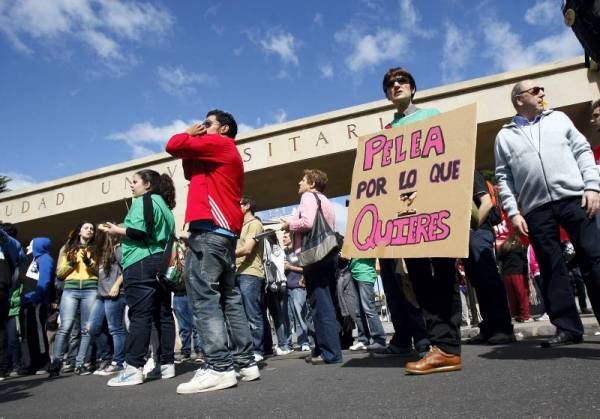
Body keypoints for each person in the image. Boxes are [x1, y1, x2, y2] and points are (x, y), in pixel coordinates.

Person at [495, 80, 600, 347]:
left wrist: (592, 186)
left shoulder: (560, 119)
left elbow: (582, 151)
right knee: (551, 268)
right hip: (535, 209)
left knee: (593, 257)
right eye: (535, 90)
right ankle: (567, 328)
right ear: (519, 99)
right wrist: (513, 212)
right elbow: (503, 178)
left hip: (574, 198)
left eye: (543, 89)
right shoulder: (504, 136)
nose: (542, 93)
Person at [166, 109, 258, 394]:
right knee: (229, 296)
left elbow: (173, 145)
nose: (203, 128)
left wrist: (189, 133)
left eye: (208, 124)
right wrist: (191, 144)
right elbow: (188, 168)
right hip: (223, 234)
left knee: (204, 297)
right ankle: (245, 361)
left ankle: (218, 367)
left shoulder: (220, 144)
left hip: (209, 231)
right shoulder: (218, 155)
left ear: (224, 128)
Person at [381, 67, 462, 374]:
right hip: (407, 216)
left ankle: (447, 346)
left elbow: (447, 158)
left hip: (435, 207)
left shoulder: (432, 114)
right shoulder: (388, 132)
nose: (395, 86)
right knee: (418, 279)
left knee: (442, 273)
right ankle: (439, 345)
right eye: (390, 85)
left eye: (401, 82)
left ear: (413, 88)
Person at [99, 169, 177, 386]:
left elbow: (139, 231)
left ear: (147, 185)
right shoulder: (165, 206)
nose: (131, 186)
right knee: (163, 313)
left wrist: (117, 230)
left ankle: (133, 368)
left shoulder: (142, 201)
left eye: (134, 182)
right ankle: (166, 364)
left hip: (140, 262)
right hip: (160, 262)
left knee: (140, 314)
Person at [281, 169, 342, 365]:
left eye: (303, 180)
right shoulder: (326, 201)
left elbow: (307, 223)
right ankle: (325, 348)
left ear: (312, 183)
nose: (299, 182)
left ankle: (329, 353)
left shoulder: (308, 196)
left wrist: (289, 224)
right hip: (328, 253)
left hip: (315, 257)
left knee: (319, 304)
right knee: (327, 302)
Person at [464, 171, 515, 345]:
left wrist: (473, 227)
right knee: (477, 281)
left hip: (479, 232)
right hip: (467, 236)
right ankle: (488, 328)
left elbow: (486, 202)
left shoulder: (471, 171)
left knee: (489, 278)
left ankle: (503, 329)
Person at [48, 222, 99, 377]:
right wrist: (72, 263)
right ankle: (56, 363)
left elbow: (99, 272)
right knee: (66, 326)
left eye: (92, 229)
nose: (90, 230)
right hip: (70, 289)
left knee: (86, 329)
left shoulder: (96, 249)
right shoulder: (68, 248)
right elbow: (59, 274)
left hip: (90, 289)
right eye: (86, 228)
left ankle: (80, 364)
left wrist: (88, 262)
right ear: (79, 232)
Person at [235, 197, 269, 361]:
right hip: (239, 273)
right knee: (243, 315)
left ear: (247, 206)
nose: (236, 207)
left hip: (251, 273)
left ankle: (258, 351)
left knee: (253, 314)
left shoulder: (255, 224)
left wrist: (225, 253)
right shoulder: (241, 226)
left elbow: (248, 249)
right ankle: (251, 349)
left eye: (239, 204)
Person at [88, 230, 126, 376]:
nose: (95, 234)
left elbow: (126, 269)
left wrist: (116, 285)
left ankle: (118, 362)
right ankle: (106, 357)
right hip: (101, 295)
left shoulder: (118, 249)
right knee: (93, 327)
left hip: (115, 294)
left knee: (115, 328)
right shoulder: (100, 252)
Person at [171, 238, 202, 363]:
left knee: (196, 325)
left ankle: (200, 351)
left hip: (193, 294)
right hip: (179, 294)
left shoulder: (193, 256)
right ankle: (186, 351)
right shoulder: (175, 260)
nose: (181, 247)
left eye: (183, 244)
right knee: (184, 327)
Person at [0, 223, 24, 379]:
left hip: (2, 289)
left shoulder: (7, 244)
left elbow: (18, 257)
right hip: (5, 290)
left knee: (3, 331)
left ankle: (3, 368)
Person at [348, 258, 386, 352]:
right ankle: (363, 339)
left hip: (365, 273)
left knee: (369, 308)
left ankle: (379, 340)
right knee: (358, 311)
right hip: (354, 272)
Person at [283, 231, 311, 352]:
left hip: (298, 287)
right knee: (287, 317)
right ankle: (287, 344)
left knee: (300, 316)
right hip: (286, 288)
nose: (283, 238)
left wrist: (290, 267)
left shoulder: (298, 252)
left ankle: (304, 341)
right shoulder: (283, 252)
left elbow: (305, 268)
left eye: (285, 236)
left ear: (292, 238)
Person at [498, 232, 531, 322]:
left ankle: (516, 315)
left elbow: (499, 258)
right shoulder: (518, 248)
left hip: (506, 275)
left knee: (512, 296)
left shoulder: (504, 248)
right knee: (522, 295)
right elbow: (525, 260)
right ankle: (525, 316)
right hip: (518, 273)